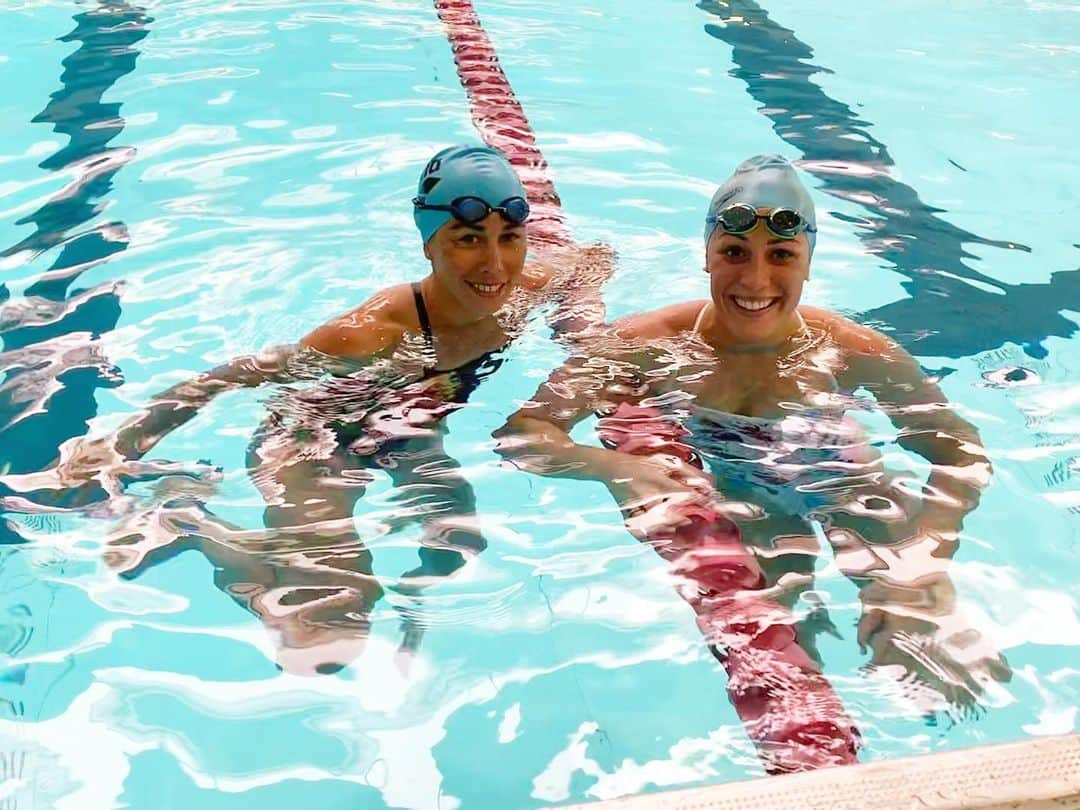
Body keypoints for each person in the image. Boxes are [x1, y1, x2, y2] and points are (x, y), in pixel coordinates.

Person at [9, 144, 611, 675]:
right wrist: (122, 446)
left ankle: (392, 605)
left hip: (409, 427)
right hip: (313, 440)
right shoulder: (368, 333)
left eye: (511, 240)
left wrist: (579, 329)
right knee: (327, 598)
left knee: (459, 544)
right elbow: (237, 373)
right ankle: (184, 517)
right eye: (467, 240)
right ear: (429, 244)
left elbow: (595, 259)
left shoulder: (529, 285)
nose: (495, 265)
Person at [497, 153, 1011, 712]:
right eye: (734, 253)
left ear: (809, 263)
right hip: (739, 496)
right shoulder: (645, 344)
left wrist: (926, 553)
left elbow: (961, 452)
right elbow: (524, 432)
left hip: (847, 483)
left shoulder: (851, 350)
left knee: (932, 645)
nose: (756, 279)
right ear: (708, 257)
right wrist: (619, 467)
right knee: (779, 655)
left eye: (782, 255)